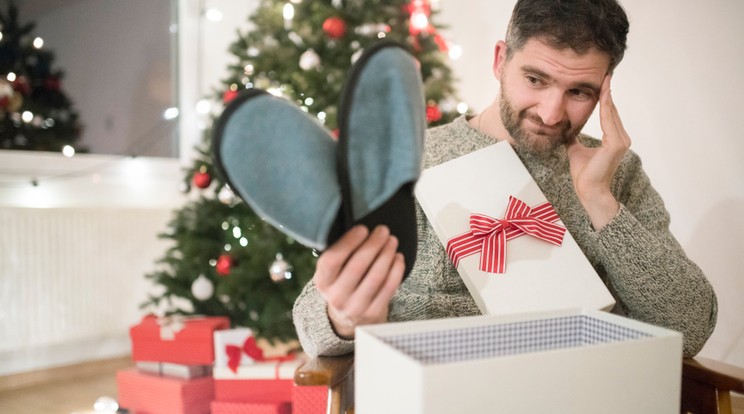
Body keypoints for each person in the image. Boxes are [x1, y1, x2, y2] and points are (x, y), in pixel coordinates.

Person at [292, 0, 718, 358]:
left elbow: (689, 326)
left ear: (605, 89)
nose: (551, 113)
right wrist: (345, 317)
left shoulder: (616, 171)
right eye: (536, 80)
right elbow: (313, 322)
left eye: (579, 92)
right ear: (500, 60)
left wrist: (599, 199)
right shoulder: (410, 159)